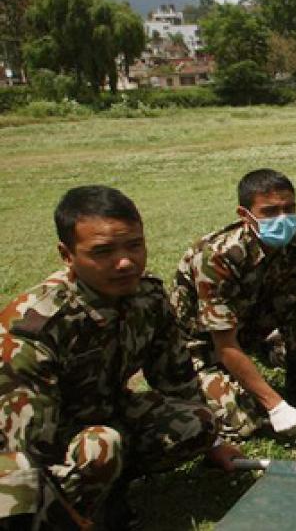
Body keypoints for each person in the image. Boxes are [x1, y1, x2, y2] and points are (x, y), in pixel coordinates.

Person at [0, 186, 238, 527]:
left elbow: (176, 377)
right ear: (67, 255)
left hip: (105, 411)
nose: (125, 262)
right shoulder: (33, 328)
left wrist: (214, 444)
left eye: (135, 245)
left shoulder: (147, 295)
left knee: (197, 423)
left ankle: (110, 484)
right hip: (36, 445)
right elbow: (24, 454)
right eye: (103, 251)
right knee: (101, 446)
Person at [172, 169, 296, 438]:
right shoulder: (218, 257)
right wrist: (275, 406)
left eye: (289, 209)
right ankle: (213, 383)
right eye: (270, 211)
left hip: (248, 327)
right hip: (201, 347)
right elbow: (223, 343)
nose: (282, 218)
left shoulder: (295, 247)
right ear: (244, 215)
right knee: (247, 419)